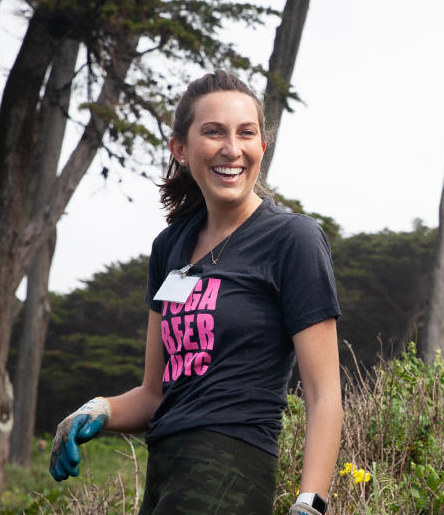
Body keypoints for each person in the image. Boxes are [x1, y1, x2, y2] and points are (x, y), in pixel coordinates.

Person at [49, 70, 343, 515]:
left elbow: (324, 396)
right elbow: (154, 394)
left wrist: (310, 503)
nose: (232, 148)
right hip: (164, 474)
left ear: (262, 146)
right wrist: (98, 409)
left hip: (232, 468)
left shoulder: (292, 239)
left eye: (247, 133)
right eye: (213, 132)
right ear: (180, 150)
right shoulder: (169, 247)